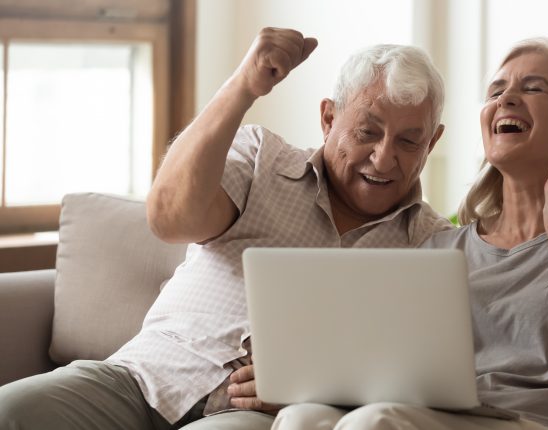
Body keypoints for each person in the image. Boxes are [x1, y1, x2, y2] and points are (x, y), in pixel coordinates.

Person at [0, 27, 452, 430]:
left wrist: (323, 386)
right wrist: (243, 87)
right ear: (329, 118)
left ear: (431, 143)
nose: (383, 158)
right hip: (143, 377)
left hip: (253, 415)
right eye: (367, 132)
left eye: (409, 141)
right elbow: (170, 218)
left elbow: (435, 377)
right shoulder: (261, 159)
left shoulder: (434, 245)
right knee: (13, 409)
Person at [268, 38, 548, 430]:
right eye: (496, 90)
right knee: (302, 418)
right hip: (440, 419)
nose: (506, 99)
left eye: (533, 88)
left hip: (544, 423)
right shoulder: (437, 248)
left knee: (377, 423)